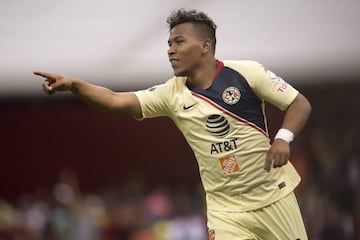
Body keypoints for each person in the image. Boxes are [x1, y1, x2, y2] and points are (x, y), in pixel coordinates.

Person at [34, 9, 312, 240]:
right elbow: (116, 101)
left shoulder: (246, 72)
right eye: (169, 44)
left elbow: (299, 103)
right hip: (226, 212)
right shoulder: (171, 94)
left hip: (273, 198)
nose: (170, 50)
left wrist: (283, 137)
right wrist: (74, 85)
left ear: (205, 46)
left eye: (178, 42)